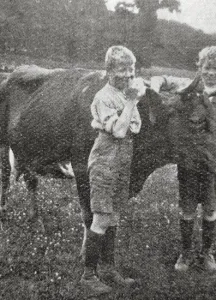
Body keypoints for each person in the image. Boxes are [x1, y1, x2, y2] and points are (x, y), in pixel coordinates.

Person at [80, 45, 146, 296]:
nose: (129, 77)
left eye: (132, 71)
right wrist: (131, 102)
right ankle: (88, 275)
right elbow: (119, 131)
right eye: (122, 71)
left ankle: (108, 268)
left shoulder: (123, 93)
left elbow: (134, 126)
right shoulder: (103, 97)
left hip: (121, 161)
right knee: (101, 217)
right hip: (105, 161)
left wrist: (129, 103)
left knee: (114, 215)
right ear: (108, 71)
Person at [150, 46, 216, 272]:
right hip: (189, 162)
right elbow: (165, 85)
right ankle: (186, 253)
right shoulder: (189, 88)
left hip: (212, 164)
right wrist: (157, 84)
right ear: (199, 67)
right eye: (207, 68)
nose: (211, 73)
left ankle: (207, 253)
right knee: (187, 209)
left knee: (210, 210)